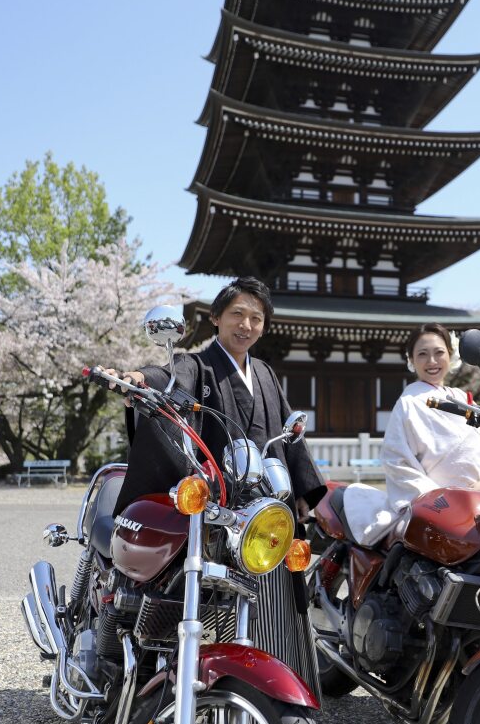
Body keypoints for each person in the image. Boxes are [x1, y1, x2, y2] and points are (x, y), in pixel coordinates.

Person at [102, 276, 327, 692]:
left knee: (278, 597)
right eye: (237, 314)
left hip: (265, 509)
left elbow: (288, 434)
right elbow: (169, 377)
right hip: (222, 508)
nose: (246, 325)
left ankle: (276, 687)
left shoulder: (263, 372)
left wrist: (309, 496)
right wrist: (142, 379)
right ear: (216, 318)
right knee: (210, 594)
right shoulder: (199, 364)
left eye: (256, 318)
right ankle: (210, 682)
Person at [344, 322, 480, 546]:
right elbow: (396, 462)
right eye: (422, 354)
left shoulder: (465, 400)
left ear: (450, 354)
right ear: (411, 360)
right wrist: (438, 499)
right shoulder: (408, 403)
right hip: (437, 511)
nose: (432, 361)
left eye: (439, 352)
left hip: (478, 503)